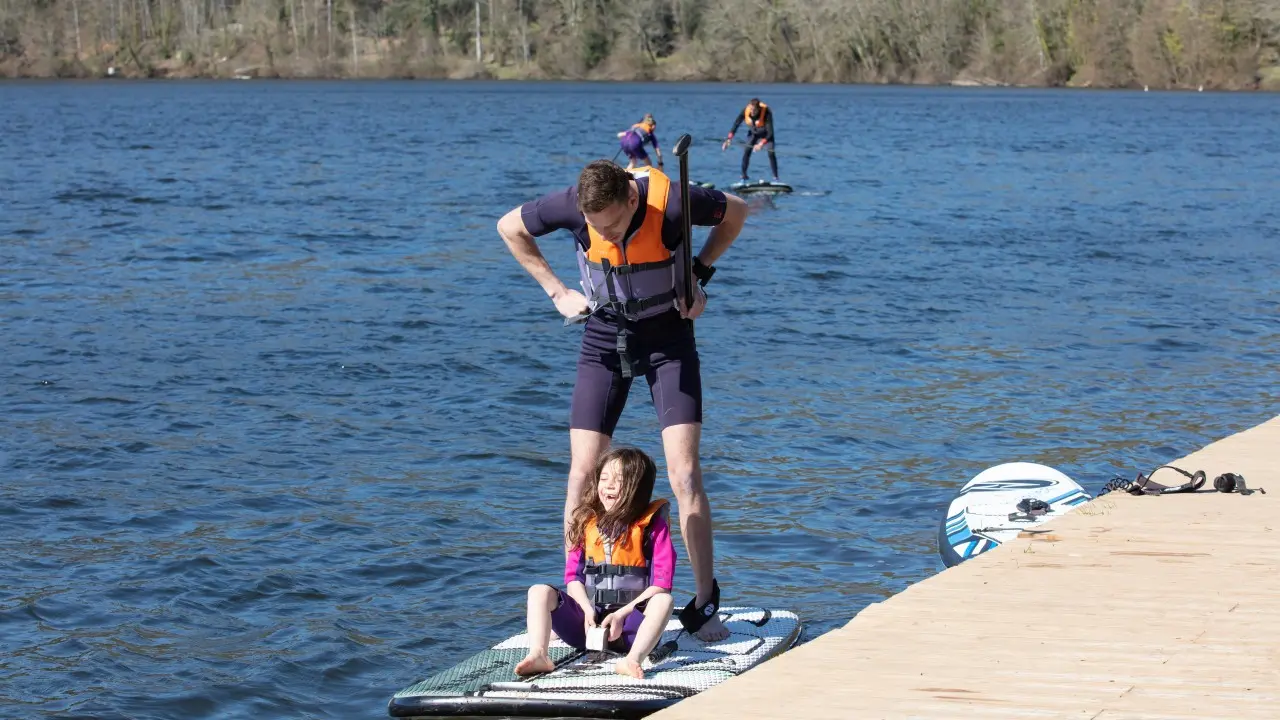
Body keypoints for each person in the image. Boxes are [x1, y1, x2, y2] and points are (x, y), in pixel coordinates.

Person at [495, 159, 749, 642]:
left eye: (611, 223)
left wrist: (699, 274)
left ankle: (703, 604)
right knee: (582, 472)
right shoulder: (572, 205)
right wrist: (556, 291)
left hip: (668, 337)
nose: (603, 234)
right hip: (603, 337)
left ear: (632, 199)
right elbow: (508, 227)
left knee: (685, 475)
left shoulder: (673, 202)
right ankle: (578, 599)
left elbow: (735, 212)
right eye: (595, 227)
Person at [515, 447, 676, 679]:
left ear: (637, 488)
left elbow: (661, 584)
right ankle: (539, 654)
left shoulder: (653, 528)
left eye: (619, 480)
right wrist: (587, 609)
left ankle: (632, 661)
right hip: (587, 625)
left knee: (664, 601)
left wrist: (621, 614)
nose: (608, 485)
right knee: (538, 591)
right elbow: (573, 579)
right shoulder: (587, 523)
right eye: (604, 478)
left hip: (631, 628)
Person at [721, 98, 778, 182]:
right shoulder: (745, 111)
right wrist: (728, 139)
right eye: (751, 109)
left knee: (771, 152)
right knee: (747, 151)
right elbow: (736, 124)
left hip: (766, 135)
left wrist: (761, 144)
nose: (752, 112)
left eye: (754, 110)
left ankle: (776, 177)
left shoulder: (766, 112)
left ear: (758, 109)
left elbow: (770, 132)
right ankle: (743, 176)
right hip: (753, 134)